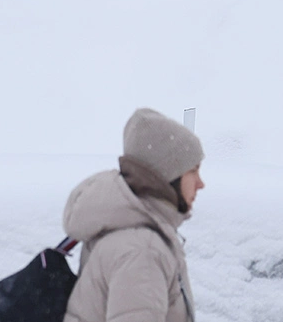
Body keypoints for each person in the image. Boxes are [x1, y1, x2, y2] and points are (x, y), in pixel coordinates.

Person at [62, 108, 205, 322]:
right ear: (169, 174)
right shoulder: (141, 249)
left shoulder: (126, 233)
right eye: (193, 171)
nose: (200, 184)